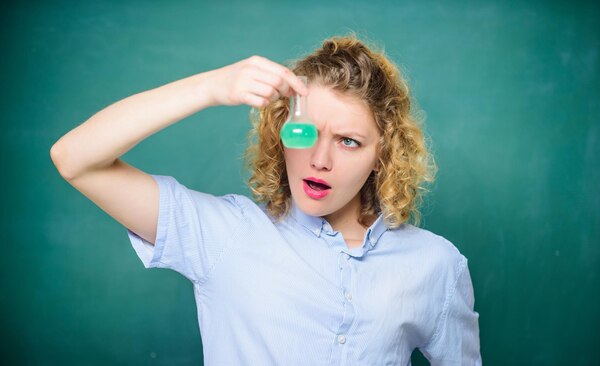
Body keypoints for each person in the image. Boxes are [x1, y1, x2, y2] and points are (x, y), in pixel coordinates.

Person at [50, 35, 481, 365]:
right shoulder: (225, 235)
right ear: (281, 131)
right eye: (305, 132)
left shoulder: (436, 265)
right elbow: (75, 159)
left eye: (348, 141)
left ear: (382, 156)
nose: (319, 160)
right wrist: (211, 88)